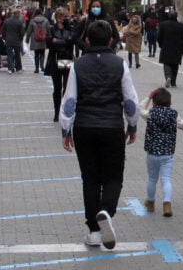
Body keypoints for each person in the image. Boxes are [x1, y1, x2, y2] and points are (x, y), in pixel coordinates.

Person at [60, 20, 139, 250]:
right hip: (112, 126)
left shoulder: (78, 65)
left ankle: (94, 231)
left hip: (84, 126)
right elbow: (130, 100)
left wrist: (66, 129)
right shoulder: (119, 65)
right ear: (112, 40)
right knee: (114, 176)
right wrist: (132, 126)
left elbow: (69, 100)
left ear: (86, 40)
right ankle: (106, 210)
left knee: (90, 178)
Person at [139, 87, 183, 217]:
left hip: (152, 153)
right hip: (167, 154)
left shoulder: (151, 114)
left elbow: (140, 109)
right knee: (166, 179)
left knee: (152, 179)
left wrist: (149, 96)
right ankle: (167, 205)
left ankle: (151, 202)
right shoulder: (173, 115)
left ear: (153, 103)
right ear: (170, 103)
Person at [45, 8, 74, 122]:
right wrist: (64, 41)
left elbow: (71, 42)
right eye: (64, 17)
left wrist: (58, 41)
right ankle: (56, 112)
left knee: (67, 88)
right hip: (55, 62)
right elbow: (49, 43)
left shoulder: (70, 29)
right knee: (57, 88)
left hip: (68, 61)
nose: (66, 19)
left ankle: (65, 111)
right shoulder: (51, 29)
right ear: (58, 18)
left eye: (67, 17)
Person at [157, 10, 183, 88]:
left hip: (166, 47)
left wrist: (161, 45)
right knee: (175, 65)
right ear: (176, 16)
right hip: (177, 48)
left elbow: (159, 37)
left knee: (166, 64)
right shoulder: (181, 26)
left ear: (168, 16)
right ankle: (173, 81)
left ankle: (168, 77)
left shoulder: (163, 25)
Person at [25, 8, 50, 74]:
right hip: (43, 38)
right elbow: (48, 29)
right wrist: (49, 38)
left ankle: (36, 68)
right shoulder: (45, 20)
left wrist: (27, 39)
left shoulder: (32, 20)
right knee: (42, 53)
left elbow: (29, 30)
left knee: (36, 54)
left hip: (35, 39)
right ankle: (42, 66)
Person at [2, 10, 25, 74]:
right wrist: (20, 39)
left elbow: (3, 31)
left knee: (9, 55)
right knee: (17, 55)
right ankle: (18, 68)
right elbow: (22, 32)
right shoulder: (19, 22)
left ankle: (10, 68)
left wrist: (5, 38)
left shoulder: (7, 21)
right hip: (17, 40)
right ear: (17, 14)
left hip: (8, 40)